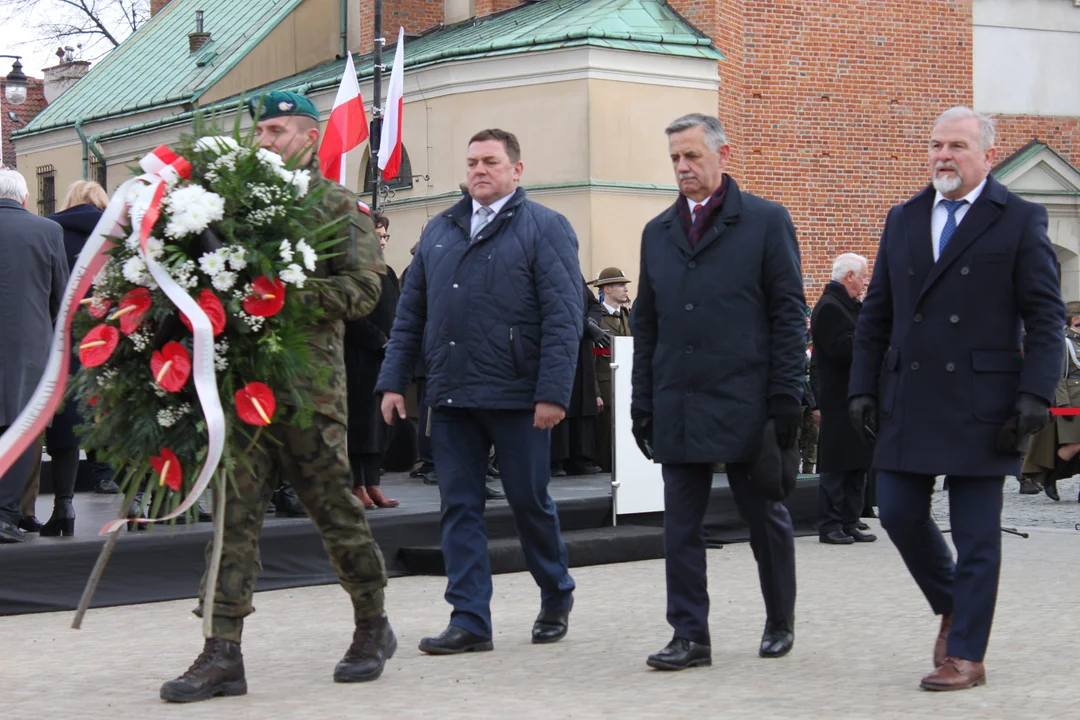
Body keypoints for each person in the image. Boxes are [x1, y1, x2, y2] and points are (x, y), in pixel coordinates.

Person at [159, 91, 395, 703]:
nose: (264, 141)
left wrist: (286, 292)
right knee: (232, 519)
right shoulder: (231, 204)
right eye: (260, 130)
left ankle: (372, 623)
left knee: (334, 511)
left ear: (310, 138)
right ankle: (221, 651)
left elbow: (366, 288)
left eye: (277, 131)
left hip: (307, 392)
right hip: (241, 387)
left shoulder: (338, 205)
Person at [849, 106, 1065, 691]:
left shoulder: (1018, 218)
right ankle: (955, 605)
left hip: (984, 403)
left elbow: (1045, 318)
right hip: (910, 395)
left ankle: (965, 652)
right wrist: (862, 387)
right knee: (895, 511)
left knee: (976, 534)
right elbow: (877, 313)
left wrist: (1034, 396)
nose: (944, 155)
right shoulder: (904, 217)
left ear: (986, 156)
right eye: (936, 144)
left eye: (958, 146)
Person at [377, 128, 581, 654]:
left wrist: (553, 393)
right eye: (472, 163)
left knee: (529, 501)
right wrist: (394, 380)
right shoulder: (440, 231)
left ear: (517, 169)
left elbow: (564, 317)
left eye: (491, 161)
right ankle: (469, 620)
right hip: (451, 395)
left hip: (518, 396)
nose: (479, 171)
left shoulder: (546, 228)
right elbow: (410, 315)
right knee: (458, 507)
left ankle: (556, 593)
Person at [631, 113, 804, 671]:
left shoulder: (765, 222)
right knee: (681, 527)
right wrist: (643, 401)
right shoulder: (657, 233)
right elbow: (648, 323)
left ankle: (779, 617)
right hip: (680, 400)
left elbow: (787, 314)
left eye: (692, 157)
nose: (683, 168)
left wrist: (786, 398)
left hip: (747, 402)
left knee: (765, 519)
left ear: (722, 155)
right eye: (675, 159)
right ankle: (690, 635)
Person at [31, 180, 114, 537]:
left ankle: (63, 508)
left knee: (66, 423)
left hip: (67, 339)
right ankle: (128, 495)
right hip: (112, 338)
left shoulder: (54, 233)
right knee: (114, 413)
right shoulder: (117, 236)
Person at [0, 169, 69, 544]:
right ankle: (7, 514)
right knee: (23, 430)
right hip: (29, 349)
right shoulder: (47, 231)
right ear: (25, 199)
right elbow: (62, 295)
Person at [811, 253, 876, 545]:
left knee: (857, 462)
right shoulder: (829, 307)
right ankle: (830, 523)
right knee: (837, 465)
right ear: (849, 276)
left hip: (856, 396)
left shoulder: (851, 306)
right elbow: (842, 349)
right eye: (863, 276)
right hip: (838, 397)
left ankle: (850, 519)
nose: (865, 282)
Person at [345, 211, 401, 509]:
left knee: (382, 423)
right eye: (376, 236)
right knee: (361, 423)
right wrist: (379, 341)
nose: (381, 242)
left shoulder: (388, 273)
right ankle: (357, 484)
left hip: (386, 358)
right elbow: (351, 316)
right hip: (359, 357)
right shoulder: (353, 272)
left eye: (384, 237)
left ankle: (374, 483)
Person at [1020, 303, 1080, 501]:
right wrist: (1063, 404)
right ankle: (1050, 477)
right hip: (1071, 400)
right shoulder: (1065, 343)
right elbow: (1059, 376)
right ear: (1074, 320)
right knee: (1073, 446)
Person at [586, 267, 633, 472]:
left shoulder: (627, 316)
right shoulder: (597, 318)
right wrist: (595, 392)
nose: (625, 289)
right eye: (620, 285)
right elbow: (591, 358)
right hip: (605, 383)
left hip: (626, 383)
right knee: (604, 435)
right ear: (607, 289)